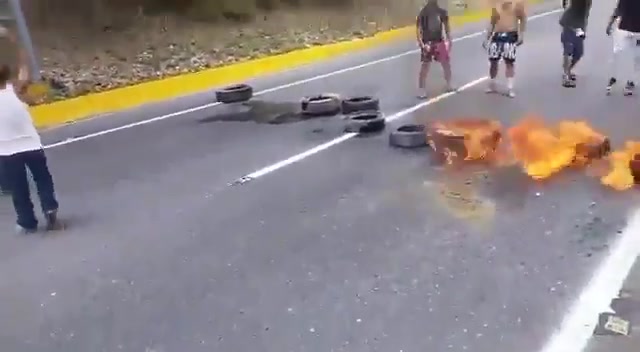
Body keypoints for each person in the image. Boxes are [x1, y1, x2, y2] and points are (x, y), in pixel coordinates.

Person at [0, 29, 63, 233]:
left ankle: (27, 221)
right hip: (31, 144)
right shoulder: (17, 88)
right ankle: (49, 207)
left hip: (7, 151)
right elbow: (24, 63)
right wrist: (13, 39)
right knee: (42, 178)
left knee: (18, 189)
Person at [483, 0, 526, 97]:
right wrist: (487, 38)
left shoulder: (516, 5)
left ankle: (510, 88)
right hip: (497, 36)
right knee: (493, 61)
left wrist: (521, 35)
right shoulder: (497, 6)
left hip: (510, 35)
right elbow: (492, 23)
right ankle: (492, 84)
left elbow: (522, 19)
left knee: (509, 62)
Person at [416, 0, 454, 99]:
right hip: (427, 42)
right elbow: (418, 30)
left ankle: (449, 84)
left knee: (446, 63)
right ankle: (421, 89)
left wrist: (449, 40)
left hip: (439, 41)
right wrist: (422, 45)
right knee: (425, 66)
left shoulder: (441, 12)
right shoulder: (423, 13)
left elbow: (447, 27)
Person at [606, 0, 640, 95]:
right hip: (624, 30)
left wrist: (610, 23)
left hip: (635, 33)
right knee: (619, 54)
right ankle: (614, 77)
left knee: (636, 57)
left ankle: (629, 81)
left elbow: (618, 10)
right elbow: (618, 9)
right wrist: (610, 23)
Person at [559, 0, 592, 88]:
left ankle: (568, 70)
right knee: (569, 50)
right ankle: (566, 77)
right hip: (569, 24)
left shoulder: (588, 3)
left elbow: (586, 15)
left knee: (579, 53)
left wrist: (584, 30)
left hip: (578, 26)